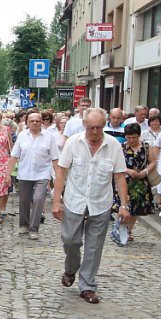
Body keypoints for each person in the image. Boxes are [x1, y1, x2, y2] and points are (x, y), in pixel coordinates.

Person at [52, 108, 130, 304]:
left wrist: (123, 205)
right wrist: (56, 201)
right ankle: (71, 269)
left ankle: (87, 286)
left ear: (104, 126)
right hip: (74, 200)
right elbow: (61, 172)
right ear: (84, 125)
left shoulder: (113, 145)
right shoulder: (73, 142)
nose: (94, 131)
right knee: (70, 240)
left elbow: (119, 176)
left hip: (100, 202)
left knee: (94, 247)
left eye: (98, 127)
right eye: (91, 127)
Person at [10, 111, 60, 240]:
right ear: (27, 122)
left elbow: (55, 158)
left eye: (37, 121)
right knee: (24, 201)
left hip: (42, 174)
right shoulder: (22, 136)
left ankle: (34, 228)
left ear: (41, 122)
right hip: (24, 173)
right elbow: (14, 156)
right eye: (31, 121)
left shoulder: (49, 137)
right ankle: (24, 224)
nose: (34, 123)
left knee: (38, 199)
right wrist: (7, 174)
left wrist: (58, 176)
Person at [112, 122, 155, 241]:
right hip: (123, 180)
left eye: (134, 137)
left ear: (139, 136)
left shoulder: (146, 147)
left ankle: (128, 231)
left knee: (136, 208)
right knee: (123, 205)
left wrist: (144, 172)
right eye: (129, 137)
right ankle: (120, 228)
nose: (131, 140)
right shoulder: (120, 148)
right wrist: (128, 171)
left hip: (140, 182)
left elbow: (152, 162)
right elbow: (114, 164)